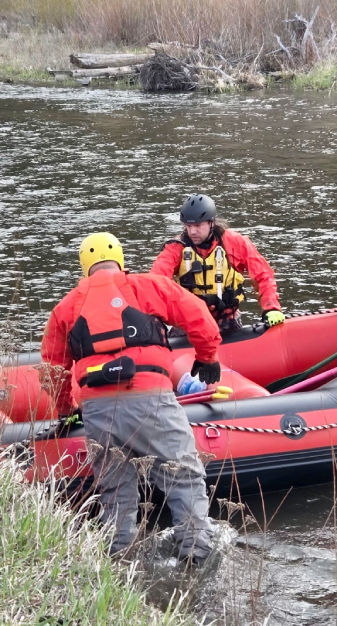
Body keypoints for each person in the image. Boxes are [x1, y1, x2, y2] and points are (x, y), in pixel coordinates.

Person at [40, 232, 221, 563]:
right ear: (120, 260)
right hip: (150, 399)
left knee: (115, 493)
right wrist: (207, 357)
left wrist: (68, 412)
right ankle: (197, 559)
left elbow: (53, 372)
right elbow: (199, 317)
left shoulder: (66, 307)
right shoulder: (147, 286)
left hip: (97, 410)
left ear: (85, 267)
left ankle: (118, 565)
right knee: (185, 477)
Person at [151, 193, 284, 333]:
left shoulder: (236, 243)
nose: (192, 232)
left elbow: (263, 276)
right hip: (188, 324)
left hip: (227, 321)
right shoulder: (176, 247)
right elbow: (155, 282)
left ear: (211, 223)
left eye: (197, 225)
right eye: (188, 226)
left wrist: (271, 308)